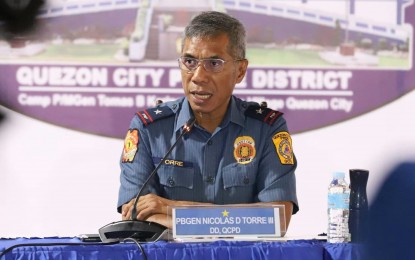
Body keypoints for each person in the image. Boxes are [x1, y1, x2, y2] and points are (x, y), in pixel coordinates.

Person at [117, 11, 299, 232]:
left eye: (214, 63)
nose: (198, 76)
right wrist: (242, 219)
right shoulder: (149, 129)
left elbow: (276, 220)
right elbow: (135, 216)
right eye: (190, 61)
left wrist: (169, 208)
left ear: (240, 70)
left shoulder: (267, 129)